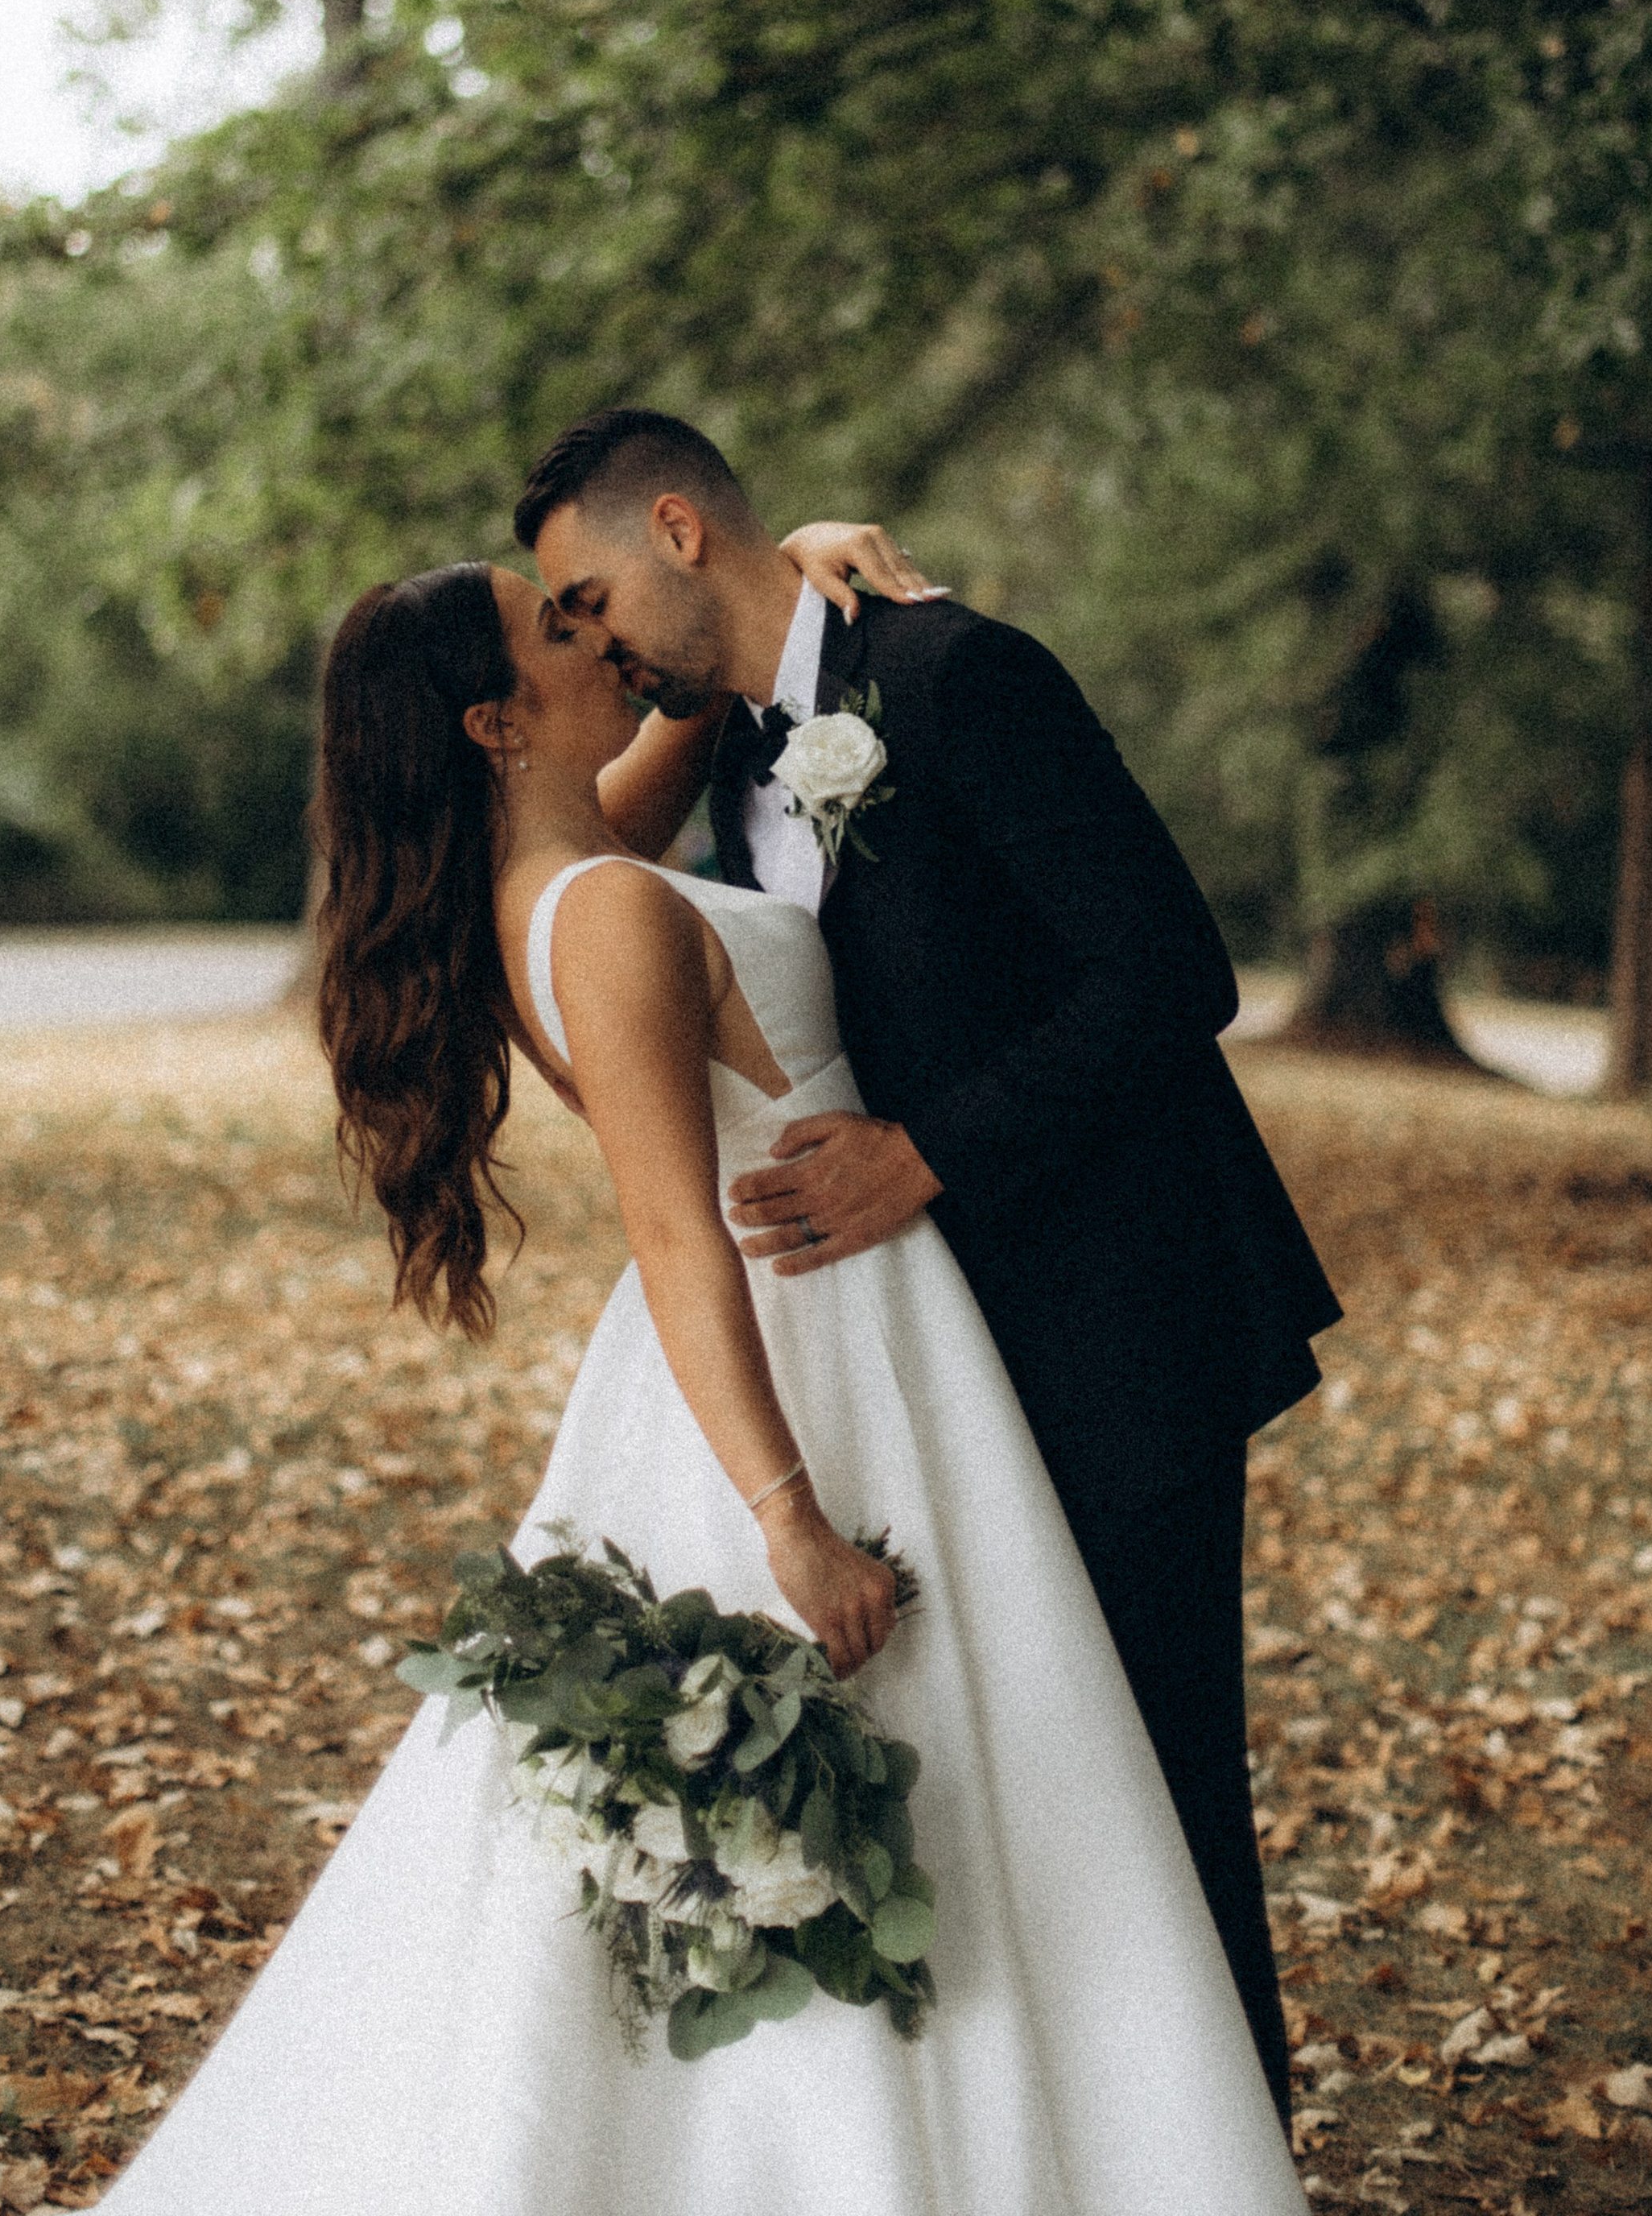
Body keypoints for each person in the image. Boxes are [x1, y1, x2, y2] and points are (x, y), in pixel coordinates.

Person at [101, 540, 1311, 2215]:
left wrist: (780, 569)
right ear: (491, 722)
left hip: (874, 1315)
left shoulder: (566, 869)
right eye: (556, 629)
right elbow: (678, 1238)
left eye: (583, 595)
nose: (596, 636)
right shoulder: (598, 911)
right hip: (810, 1343)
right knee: (929, 1772)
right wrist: (787, 1518)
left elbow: (719, 687)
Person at [514, 407, 1343, 2123]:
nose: (585, 640)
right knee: (1044, 1798)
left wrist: (924, 1150)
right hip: (948, 1351)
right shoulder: (737, 752)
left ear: (675, 529)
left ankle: (1234, 2150)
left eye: (586, 597)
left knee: (1166, 1788)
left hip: (1124, 1316)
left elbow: (1166, 972)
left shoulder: (963, 678)